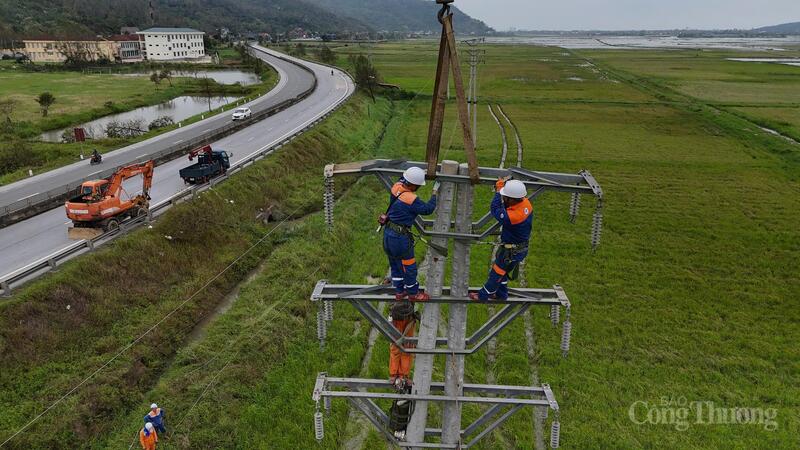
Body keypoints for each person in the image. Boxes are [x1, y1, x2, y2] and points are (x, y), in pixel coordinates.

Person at [470, 178, 532, 301]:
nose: (503, 198)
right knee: (502, 272)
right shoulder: (525, 203)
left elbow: (495, 209)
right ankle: (501, 294)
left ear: (512, 199)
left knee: (497, 272)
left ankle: (484, 295)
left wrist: (498, 191)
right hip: (518, 248)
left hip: (512, 251)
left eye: (505, 196)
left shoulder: (513, 216)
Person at [383, 166, 438, 302]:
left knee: (395, 264)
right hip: (400, 239)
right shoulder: (411, 199)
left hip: (388, 235)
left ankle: (399, 291)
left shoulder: (396, 187)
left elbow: (404, 178)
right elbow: (428, 209)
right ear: (413, 185)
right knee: (409, 267)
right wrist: (435, 193)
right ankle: (413, 293)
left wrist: (418, 173)